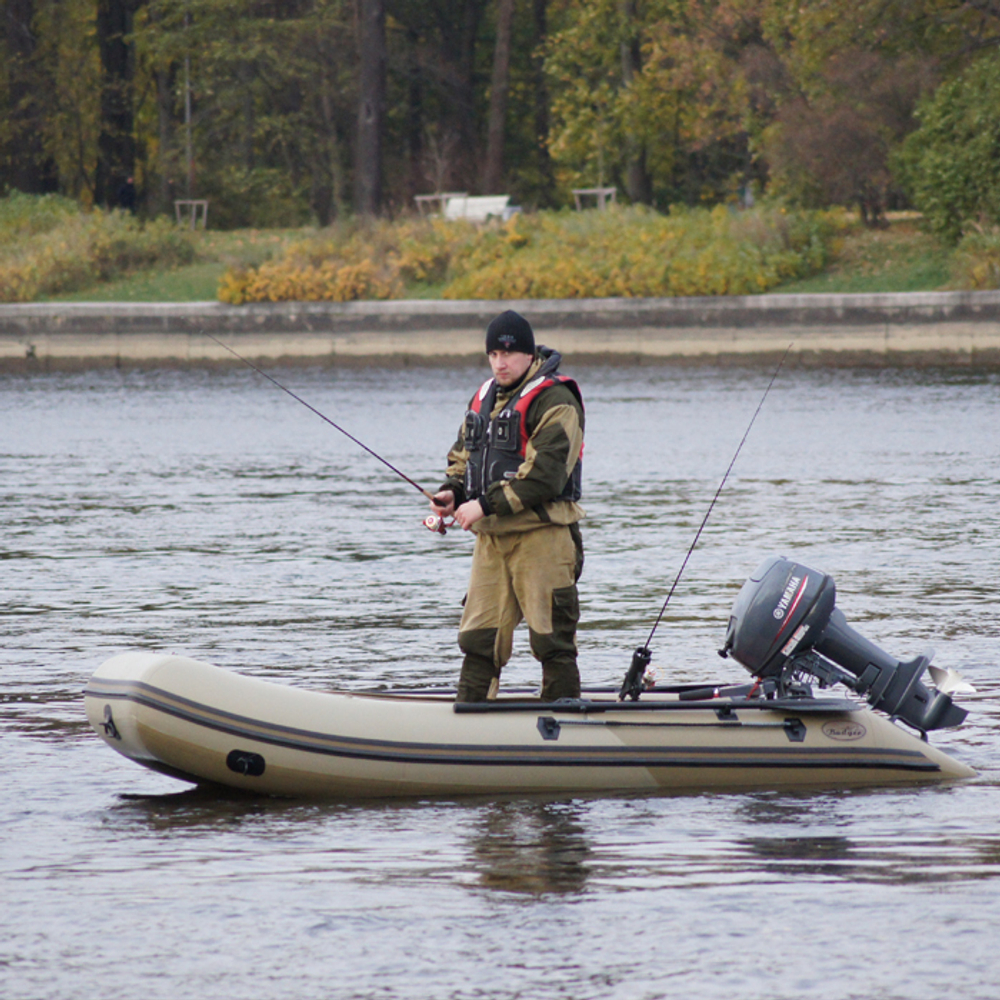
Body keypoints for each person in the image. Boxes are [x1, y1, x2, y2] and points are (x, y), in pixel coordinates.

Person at [431, 310, 585, 703]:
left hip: (543, 538)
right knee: (478, 640)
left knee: (552, 640)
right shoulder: (482, 398)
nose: (501, 362)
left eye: (510, 354)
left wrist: (483, 505)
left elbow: (546, 474)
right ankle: (471, 719)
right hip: (492, 541)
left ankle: (565, 726)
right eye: (493, 355)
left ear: (529, 355)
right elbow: (462, 457)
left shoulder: (556, 399)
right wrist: (453, 494)